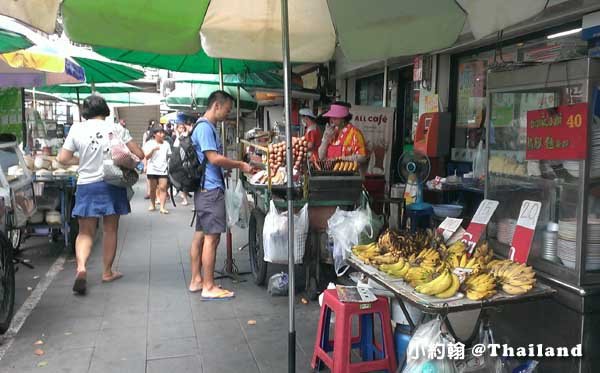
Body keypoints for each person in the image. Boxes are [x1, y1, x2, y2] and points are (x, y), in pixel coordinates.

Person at [57, 95, 144, 295]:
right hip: (111, 183)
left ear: (85, 112)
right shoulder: (116, 128)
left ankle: (81, 268)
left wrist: (82, 161)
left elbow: (63, 158)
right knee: (110, 229)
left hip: (87, 185)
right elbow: (139, 154)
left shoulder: (77, 129)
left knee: (85, 231)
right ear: (104, 109)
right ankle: (106, 272)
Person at [188, 90, 253, 299]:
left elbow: (210, 161)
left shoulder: (202, 126)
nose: (227, 114)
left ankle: (196, 280)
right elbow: (214, 158)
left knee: (200, 236)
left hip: (203, 189)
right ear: (216, 105)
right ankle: (208, 286)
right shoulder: (206, 128)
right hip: (210, 191)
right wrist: (239, 164)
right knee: (211, 239)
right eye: (227, 109)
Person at [318, 101, 368, 170]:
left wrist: (339, 159)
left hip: (348, 175)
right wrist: (326, 139)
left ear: (343, 119)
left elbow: (362, 157)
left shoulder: (354, 133)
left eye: (335, 118)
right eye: (330, 117)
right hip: (329, 173)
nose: (331, 120)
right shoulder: (330, 131)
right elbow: (321, 156)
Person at [143, 126, 172, 214]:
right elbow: (146, 157)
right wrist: (153, 150)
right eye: (159, 133)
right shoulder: (149, 143)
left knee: (163, 187)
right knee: (153, 188)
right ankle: (152, 204)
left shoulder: (166, 144)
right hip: (152, 169)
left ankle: (162, 207)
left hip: (163, 168)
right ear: (154, 134)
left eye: (162, 133)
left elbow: (169, 155)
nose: (161, 134)